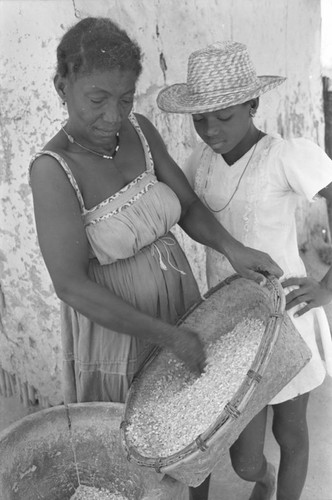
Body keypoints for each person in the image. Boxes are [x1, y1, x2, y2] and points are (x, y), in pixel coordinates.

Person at [29, 20, 281, 412]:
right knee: (138, 439)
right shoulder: (53, 169)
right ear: (62, 87)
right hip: (119, 330)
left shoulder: (139, 131)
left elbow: (189, 206)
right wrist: (168, 336)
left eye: (126, 98)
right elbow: (71, 285)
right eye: (97, 100)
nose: (114, 115)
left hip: (180, 301)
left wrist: (233, 249)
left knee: (195, 425)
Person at [157, 41, 332, 500]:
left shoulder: (284, 157)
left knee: (291, 434)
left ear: (252, 104)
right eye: (200, 119)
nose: (210, 130)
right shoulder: (202, 164)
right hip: (230, 324)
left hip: (284, 314)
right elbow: (190, 213)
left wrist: (328, 286)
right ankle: (264, 479)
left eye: (224, 116)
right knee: (244, 457)